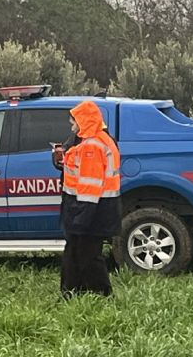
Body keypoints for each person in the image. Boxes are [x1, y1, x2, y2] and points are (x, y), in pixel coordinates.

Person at [52, 100, 120, 298]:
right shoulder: (97, 140)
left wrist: (81, 218)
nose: (72, 126)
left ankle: (101, 294)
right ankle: (72, 292)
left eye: (74, 122)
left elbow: (90, 186)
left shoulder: (91, 146)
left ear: (83, 121)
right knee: (76, 253)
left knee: (88, 256)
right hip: (90, 208)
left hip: (89, 209)